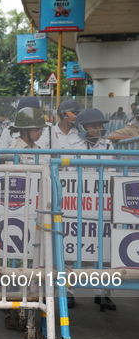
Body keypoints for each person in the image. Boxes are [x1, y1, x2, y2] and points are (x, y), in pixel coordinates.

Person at [70, 108, 116, 311]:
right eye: (93, 125)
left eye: (100, 125)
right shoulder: (70, 145)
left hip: (100, 202)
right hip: (74, 201)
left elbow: (112, 173)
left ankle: (103, 294)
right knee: (71, 247)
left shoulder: (109, 145)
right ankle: (68, 292)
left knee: (102, 248)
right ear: (82, 127)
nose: (98, 128)